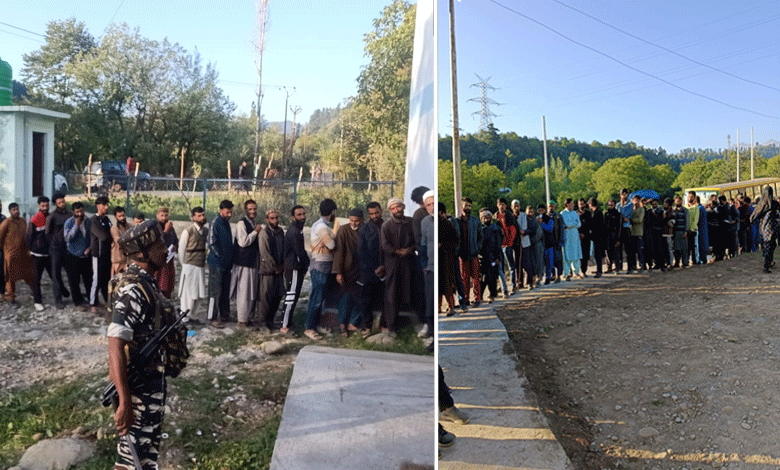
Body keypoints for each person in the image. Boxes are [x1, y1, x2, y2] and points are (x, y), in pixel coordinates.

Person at [107, 219, 182, 470]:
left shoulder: (148, 282)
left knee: (146, 459)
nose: (164, 248)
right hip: (136, 390)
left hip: (150, 383)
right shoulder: (133, 289)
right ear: (141, 253)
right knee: (131, 461)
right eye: (158, 244)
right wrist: (125, 402)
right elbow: (115, 344)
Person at [380, 197, 417, 338]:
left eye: (398, 207)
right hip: (393, 264)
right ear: (390, 210)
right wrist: (397, 251)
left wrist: (409, 249)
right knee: (392, 295)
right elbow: (385, 245)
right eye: (393, 208)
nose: (396, 210)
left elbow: (416, 240)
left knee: (411, 291)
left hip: (409, 262)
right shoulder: (386, 226)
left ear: (403, 207)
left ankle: (420, 324)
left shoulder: (411, 222)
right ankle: (391, 326)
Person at [305, 198, 338, 340]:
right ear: (332, 212)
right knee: (316, 299)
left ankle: (316, 324)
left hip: (324, 266)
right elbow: (331, 245)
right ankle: (309, 328)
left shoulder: (324, 225)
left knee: (321, 298)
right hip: (319, 266)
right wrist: (336, 230)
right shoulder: (321, 227)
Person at [333, 208, 364, 337]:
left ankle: (352, 323)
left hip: (361, 271)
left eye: (356, 221)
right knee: (345, 298)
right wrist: (338, 272)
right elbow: (339, 252)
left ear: (361, 220)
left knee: (360, 297)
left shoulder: (365, 229)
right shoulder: (343, 230)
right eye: (351, 220)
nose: (354, 224)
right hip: (345, 270)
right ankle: (342, 325)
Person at [231, 200, 261, 329]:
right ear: (245, 210)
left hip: (252, 263)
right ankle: (242, 320)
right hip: (243, 262)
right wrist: (255, 232)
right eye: (250, 209)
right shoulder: (241, 224)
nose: (252, 211)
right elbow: (243, 242)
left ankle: (247, 318)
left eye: (254, 209)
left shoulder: (253, 223)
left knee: (250, 292)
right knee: (243, 292)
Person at [356, 202, 385, 334]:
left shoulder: (387, 226)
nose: (374, 216)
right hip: (369, 271)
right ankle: (367, 326)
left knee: (387, 299)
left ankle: (384, 325)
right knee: (366, 300)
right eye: (372, 214)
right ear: (368, 214)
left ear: (381, 211)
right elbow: (361, 252)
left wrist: (384, 266)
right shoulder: (364, 229)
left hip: (386, 270)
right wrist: (374, 268)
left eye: (376, 213)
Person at [281, 205, 309, 336]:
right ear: (293, 217)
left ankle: (288, 322)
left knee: (294, 295)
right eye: (299, 215)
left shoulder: (298, 229)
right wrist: (306, 263)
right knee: (291, 296)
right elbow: (300, 252)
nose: (302, 217)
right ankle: (284, 326)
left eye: (303, 214)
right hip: (293, 268)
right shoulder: (294, 231)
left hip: (296, 267)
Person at [178, 207, 208, 325]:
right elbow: (181, 250)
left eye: (203, 215)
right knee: (188, 293)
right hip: (189, 266)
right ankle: (184, 317)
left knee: (199, 293)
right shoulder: (188, 231)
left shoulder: (205, 231)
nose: (202, 218)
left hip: (200, 265)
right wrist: (185, 265)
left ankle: (193, 315)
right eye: (199, 216)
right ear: (194, 217)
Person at [0, 203, 34, 306]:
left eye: (17, 209)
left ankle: (35, 292)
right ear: (10, 211)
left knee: (29, 274)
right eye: (14, 209)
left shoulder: (23, 221)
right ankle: (11, 298)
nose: (16, 211)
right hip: (11, 255)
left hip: (23, 253)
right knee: (10, 278)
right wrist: (6, 250)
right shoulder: (6, 223)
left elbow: (27, 235)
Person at [257, 209, 285, 334]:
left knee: (278, 296)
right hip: (268, 271)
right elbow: (265, 253)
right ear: (267, 220)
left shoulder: (280, 232)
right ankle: (263, 323)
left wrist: (282, 265)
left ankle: (271, 321)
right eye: (272, 218)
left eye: (276, 217)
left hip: (279, 270)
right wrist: (275, 267)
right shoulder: (264, 233)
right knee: (265, 298)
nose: (275, 220)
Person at [207, 200, 234, 328]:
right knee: (214, 291)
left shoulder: (226, 223)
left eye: (230, 212)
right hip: (216, 263)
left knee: (225, 289)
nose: (229, 214)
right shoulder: (215, 223)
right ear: (221, 210)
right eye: (227, 212)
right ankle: (212, 317)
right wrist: (221, 258)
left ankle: (224, 314)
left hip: (226, 263)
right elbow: (212, 244)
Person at [64, 201, 93, 311]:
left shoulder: (88, 221)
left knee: (88, 280)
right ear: (73, 212)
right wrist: (76, 225)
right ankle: (77, 302)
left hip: (85, 256)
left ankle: (91, 300)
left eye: (81, 211)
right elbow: (67, 238)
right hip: (72, 255)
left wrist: (90, 248)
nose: (80, 214)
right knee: (74, 281)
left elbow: (91, 236)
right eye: (77, 212)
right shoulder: (69, 222)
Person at [45, 193, 71, 309]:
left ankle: (76, 296)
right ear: (56, 204)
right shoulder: (52, 216)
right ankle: (58, 300)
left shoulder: (70, 214)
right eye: (59, 202)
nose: (62, 204)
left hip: (69, 249)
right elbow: (47, 233)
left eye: (63, 202)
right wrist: (54, 243)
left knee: (72, 273)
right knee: (56, 275)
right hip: (56, 249)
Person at [26, 196, 52, 311]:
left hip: (50, 254)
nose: (45, 208)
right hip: (37, 254)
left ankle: (61, 295)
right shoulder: (35, 219)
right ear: (39, 206)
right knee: (37, 279)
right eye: (43, 206)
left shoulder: (51, 217)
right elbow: (29, 236)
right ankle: (37, 301)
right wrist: (31, 250)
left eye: (47, 205)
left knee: (55, 277)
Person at [458, 198, 483, 306]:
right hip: (462, 255)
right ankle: (466, 299)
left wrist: (477, 248)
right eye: (466, 205)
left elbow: (481, 236)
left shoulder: (475, 220)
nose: (468, 208)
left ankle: (477, 298)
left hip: (473, 253)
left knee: (476, 277)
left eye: (469, 206)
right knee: (464, 279)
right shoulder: (457, 221)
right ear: (461, 207)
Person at [90, 196, 113, 313]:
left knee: (106, 279)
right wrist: (109, 236)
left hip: (107, 254)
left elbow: (112, 232)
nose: (106, 207)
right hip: (98, 255)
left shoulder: (107, 220)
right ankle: (93, 303)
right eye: (104, 205)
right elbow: (103, 236)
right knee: (97, 279)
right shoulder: (94, 220)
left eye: (107, 204)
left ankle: (106, 301)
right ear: (98, 206)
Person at [750, 185, 780, 273]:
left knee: (768, 246)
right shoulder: (774, 203)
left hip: (764, 228)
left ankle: (769, 263)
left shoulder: (761, 204)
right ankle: (766, 266)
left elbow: (754, 217)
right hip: (773, 227)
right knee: (772, 246)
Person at [418, 193, 435, 341]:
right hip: (430, 268)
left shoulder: (445, 221)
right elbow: (423, 244)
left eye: (433, 203)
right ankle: (430, 329)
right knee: (429, 303)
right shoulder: (424, 222)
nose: (431, 207)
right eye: (428, 205)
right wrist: (424, 264)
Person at [438, 202, 458, 315]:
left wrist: (443, 245)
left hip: (446, 259)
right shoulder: (430, 224)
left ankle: (451, 306)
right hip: (435, 260)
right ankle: (438, 307)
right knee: (437, 285)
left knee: (448, 284)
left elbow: (455, 241)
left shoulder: (447, 224)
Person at [154, 207, 178, 299]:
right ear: (157, 216)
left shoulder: (171, 228)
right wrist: (165, 231)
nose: (164, 218)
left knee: (168, 288)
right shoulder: (155, 227)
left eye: (166, 215)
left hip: (169, 262)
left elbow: (176, 240)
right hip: (158, 262)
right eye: (162, 216)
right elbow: (157, 242)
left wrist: (175, 246)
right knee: (158, 288)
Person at [495, 197, 517, 295]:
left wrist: (510, 243)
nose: (501, 206)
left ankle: (513, 286)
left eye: (503, 204)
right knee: (500, 268)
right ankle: (502, 286)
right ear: (497, 205)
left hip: (508, 244)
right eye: (500, 204)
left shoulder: (509, 216)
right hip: (499, 245)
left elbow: (513, 230)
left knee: (511, 267)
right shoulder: (495, 216)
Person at [479, 210, 502, 302]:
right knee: (482, 277)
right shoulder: (480, 229)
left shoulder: (495, 229)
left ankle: (492, 294)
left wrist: (497, 257)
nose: (486, 219)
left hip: (493, 256)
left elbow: (498, 244)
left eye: (488, 217)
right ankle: (480, 296)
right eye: (484, 217)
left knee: (492, 277)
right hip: (482, 257)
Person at [560, 198, 583, 280]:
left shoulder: (574, 213)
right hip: (567, 237)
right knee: (567, 255)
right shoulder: (563, 213)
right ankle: (566, 273)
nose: (573, 205)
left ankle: (576, 272)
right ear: (567, 204)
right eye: (572, 203)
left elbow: (579, 224)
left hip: (575, 236)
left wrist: (571, 224)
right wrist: (574, 223)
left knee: (576, 254)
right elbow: (566, 224)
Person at [110, 207, 132, 276]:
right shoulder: (114, 228)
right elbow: (119, 241)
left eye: (123, 215)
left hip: (129, 261)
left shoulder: (130, 226)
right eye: (119, 216)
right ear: (115, 217)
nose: (122, 218)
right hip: (118, 261)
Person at [526, 205, 543, 287]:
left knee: (538, 262)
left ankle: (538, 279)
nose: (530, 213)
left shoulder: (536, 221)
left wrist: (532, 241)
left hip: (536, 243)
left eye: (532, 211)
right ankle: (530, 280)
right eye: (529, 211)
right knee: (530, 263)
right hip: (528, 245)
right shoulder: (525, 220)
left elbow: (539, 233)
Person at [587, 198, 605, 278]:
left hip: (598, 236)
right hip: (595, 236)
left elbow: (596, 225)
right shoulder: (594, 212)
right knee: (594, 254)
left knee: (598, 254)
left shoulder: (598, 213)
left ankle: (599, 270)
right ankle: (598, 269)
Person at [615, 189, 632, 271]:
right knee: (618, 248)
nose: (623, 196)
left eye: (625, 194)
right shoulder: (617, 205)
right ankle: (619, 266)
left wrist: (623, 217)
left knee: (628, 248)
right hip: (619, 228)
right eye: (622, 194)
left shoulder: (630, 204)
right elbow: (617, 214)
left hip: (626, 227)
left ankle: (630, 267)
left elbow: (628, 214)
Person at [627, 194, 645, 274]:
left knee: (640, 250)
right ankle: (633, 265)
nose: (636, 202)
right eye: (634, 200)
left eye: (637, 200)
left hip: (639, 233)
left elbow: (639, 220)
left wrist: (631, 220)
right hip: (631, 233)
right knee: (632, 251)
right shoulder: (631, 210)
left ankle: (641, 265)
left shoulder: (641, 210)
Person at [604, 199, 622, 274]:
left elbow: (619, 227)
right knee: (608, 253)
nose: (610, 206)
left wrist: (618, 239)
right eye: (609, 205)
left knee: (616, 253)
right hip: (607, 236)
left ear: (615, 205)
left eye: (611, 205)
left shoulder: (618, 214)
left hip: (615, 236)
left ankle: (617, 268)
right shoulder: (606, 213)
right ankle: (609, 267)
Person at [672, 196, 689, 267]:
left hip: (682, 232)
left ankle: (685, 262)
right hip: (675, 232)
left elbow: (687, 221)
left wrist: (686, 231)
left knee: (684, 249)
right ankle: (677, 262)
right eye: (676, 201)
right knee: (676, 249)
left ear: (681, 202)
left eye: (679, 201)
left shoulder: (685, 210)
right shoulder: (673, 210)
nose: (678, 202)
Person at [685, 191, 700, 265]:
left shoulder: (696, 208)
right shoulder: (685, 207)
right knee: (686, 247)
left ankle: (695, 261)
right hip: (686, 230)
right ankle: (686, 260)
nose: (689, 198)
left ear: (694, 197)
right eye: (688, 196)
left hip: (692, 230)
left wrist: (692, 228)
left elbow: (696, 219)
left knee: (693, 246)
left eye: (691, 196)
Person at [577, 198, 591, 276]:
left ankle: (584, 271)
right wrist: (579, 234)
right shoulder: (575, 214)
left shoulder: (588, 214)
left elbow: (590, 225)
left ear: (585, 204)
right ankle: (575, 272)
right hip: (577, 237)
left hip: (586, 237)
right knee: (577, 255)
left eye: (582, 204)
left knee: (585, 255)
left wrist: (584, 234)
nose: (580, 206)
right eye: (579, 204)